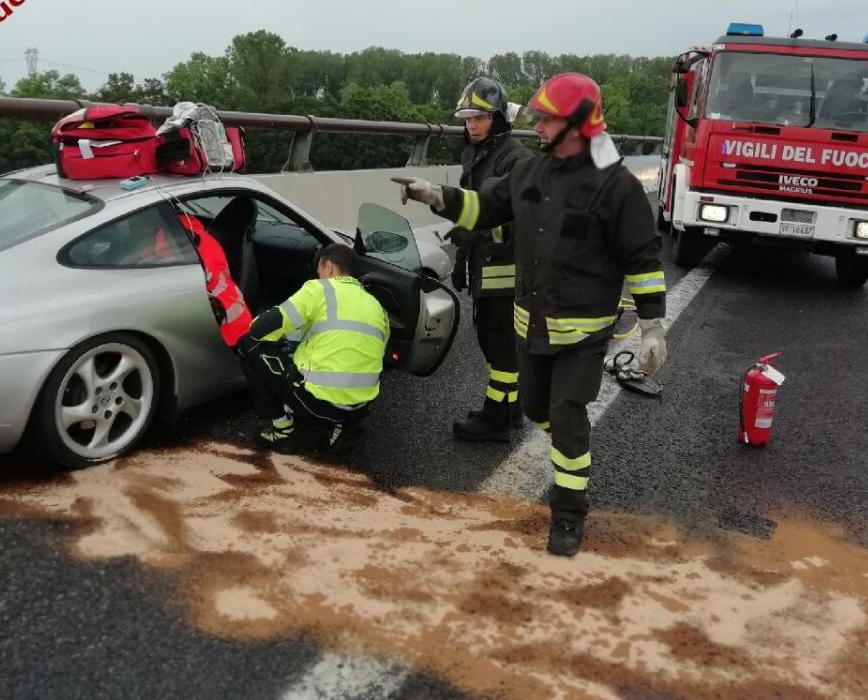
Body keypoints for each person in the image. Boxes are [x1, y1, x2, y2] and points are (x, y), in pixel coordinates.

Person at [393, 72, 667, 557]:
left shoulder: (616, 186)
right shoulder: (532, 173)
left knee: (565, 413)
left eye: (546, 119)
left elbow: (642, 260)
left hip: (583, 334)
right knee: (537, 408)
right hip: (531, 324)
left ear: (577, 124)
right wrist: (435, 196)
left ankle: (569, 511)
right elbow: (485, 207)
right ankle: (569, 446)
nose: (536, 126)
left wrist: (651, 326)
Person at [237, 243, 390, 453]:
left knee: (248, 343)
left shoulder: (319, 289)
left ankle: (281, 430)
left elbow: (261, 329)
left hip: (318, 404)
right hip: (361, 407)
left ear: (329, 266)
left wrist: (263, 326)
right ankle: (340, 427)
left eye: (319, 271)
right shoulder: (376, 306)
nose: (318, 276)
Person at [448, 76, 534, 442]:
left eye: (480, 117)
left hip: (508, 270)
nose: (472, 125)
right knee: (488, 339)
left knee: (501, 344)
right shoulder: (474, 154)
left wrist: (475, 235)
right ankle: (511, 407)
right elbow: (470, 210)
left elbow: (514, 221)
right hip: (483, 265)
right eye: (468, 118)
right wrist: (461, 258)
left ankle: (496, 418)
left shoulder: (517, 159)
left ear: (498, 118)